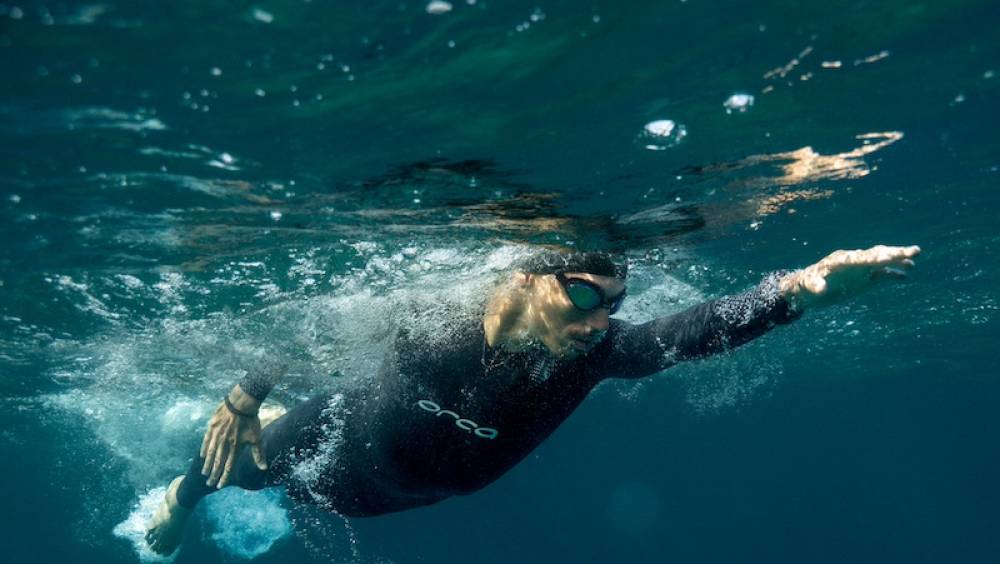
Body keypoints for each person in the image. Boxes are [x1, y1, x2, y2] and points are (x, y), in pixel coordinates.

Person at [145, 244, 921, 555]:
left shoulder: (594, 356)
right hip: (336, 442)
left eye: (612, 305)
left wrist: (797, 291)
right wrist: (244, 395)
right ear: (525, 277)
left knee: (300, 499)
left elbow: (690, 332)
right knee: (231, 472)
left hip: (395, 500)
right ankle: (179, 498)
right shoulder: (431, 319)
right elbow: (308, 325)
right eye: (583, 295)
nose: (598, 321)